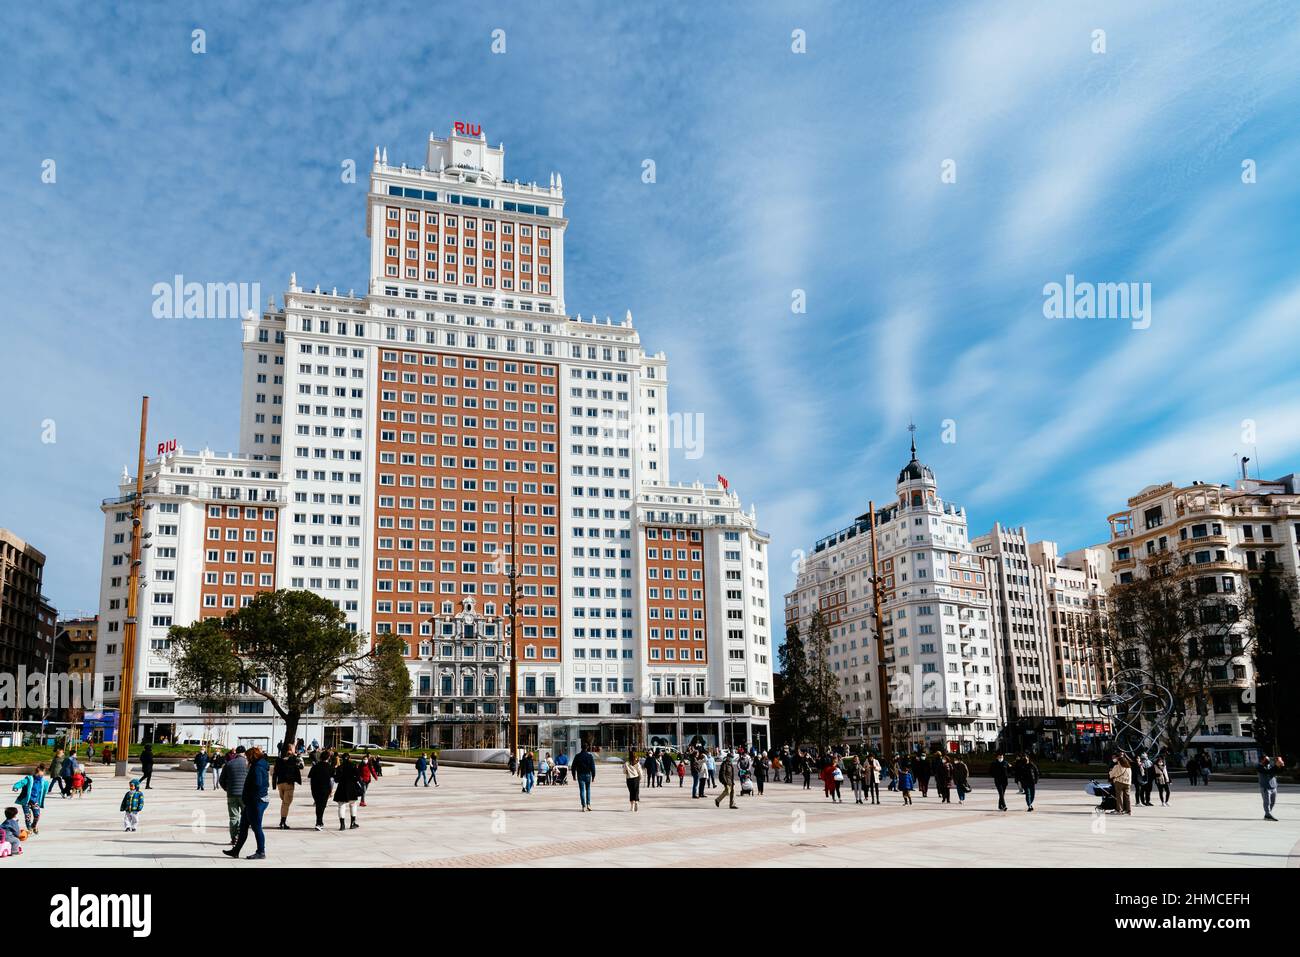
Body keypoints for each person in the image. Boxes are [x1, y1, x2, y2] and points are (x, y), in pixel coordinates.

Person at [224, 746, 270, 860]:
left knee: (256, 827)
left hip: (256, 802)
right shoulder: (259, 765)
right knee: (243, 826)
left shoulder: (257, 767)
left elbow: (258, 785)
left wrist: (251, 798)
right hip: (252, 802)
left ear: (251, 756)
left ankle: (261, 851)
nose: (246, 759)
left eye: (248, 756)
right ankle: (236, 850)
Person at [218, 746, 249, 845]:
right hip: (244, 794)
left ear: (236, 753)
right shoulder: (248, 764)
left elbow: (221, 780)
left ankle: (234, 837)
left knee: (233, 817)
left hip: (231, 794)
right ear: (244, 753)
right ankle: (241, 836)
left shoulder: (229, 764)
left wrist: (227, 789)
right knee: (245, 816)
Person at [272, 745, 303, 830]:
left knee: (284, 803)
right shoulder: (293, 759)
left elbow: (275, 773)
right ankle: (282, 822)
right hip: (288, 784)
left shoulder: (279, 760)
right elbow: (301, 766)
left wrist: (274, 785)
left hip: (280, 784)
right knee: (286, 804)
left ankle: (282, 821)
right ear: (290, 750)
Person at [12, 767, 48, 834]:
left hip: (35, 801)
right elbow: (21, 783)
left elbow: (45, 788)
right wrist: (16, 787)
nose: (40, 777)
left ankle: (33, 826)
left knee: (37, 815)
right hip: (26, 801)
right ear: (35, 773)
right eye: (39, 775)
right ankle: (29, 828)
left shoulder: (43, 782)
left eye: (42, 775)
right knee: (27, 816)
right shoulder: (29, 779)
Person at [332, 753, 362, 830]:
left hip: (341, 788)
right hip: (351, 787)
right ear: (349, 758)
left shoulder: (340, 767)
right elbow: (358, 777)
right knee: (353, 804)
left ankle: (342, 825)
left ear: (342, 759)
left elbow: (336, 780)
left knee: (341, 806)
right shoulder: (353, 766)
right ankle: (352, 823)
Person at [308, 750, 334, 831]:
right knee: (321, 806)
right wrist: (331, 790)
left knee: (319, 806)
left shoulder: (315, 766)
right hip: (325, 789)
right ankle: (318, 823)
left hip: (315, 789)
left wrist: (312, 788)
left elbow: (310, 778)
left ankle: (320, 822)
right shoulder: (329, 767)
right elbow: (332, 780)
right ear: (328, 757)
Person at [1258, 754, 1284, 821]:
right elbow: (1268, 772)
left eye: (1268, 759)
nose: (1268, 760)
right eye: (1266, 759)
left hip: (1273, 786)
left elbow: (1278, 771)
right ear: (1262, 760)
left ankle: (1267, 814)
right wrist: (1276, 765)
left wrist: (1281, 765)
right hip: (1265, 787)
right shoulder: (1259, 767)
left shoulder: (1270, 765)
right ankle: (1268, 814)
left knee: (1273, 802)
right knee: (1267, 802)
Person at [572, 742, 596, 811]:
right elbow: (593, 767)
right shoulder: (590, 756)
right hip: (588, 775)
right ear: (587, 747)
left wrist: (574, 776)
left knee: (582, 790)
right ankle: (588, 804)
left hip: (580, 775)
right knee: (588, 789)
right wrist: (593, 776)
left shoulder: (577, 756)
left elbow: (573, 766)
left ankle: (583, 806)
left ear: (581, 748)